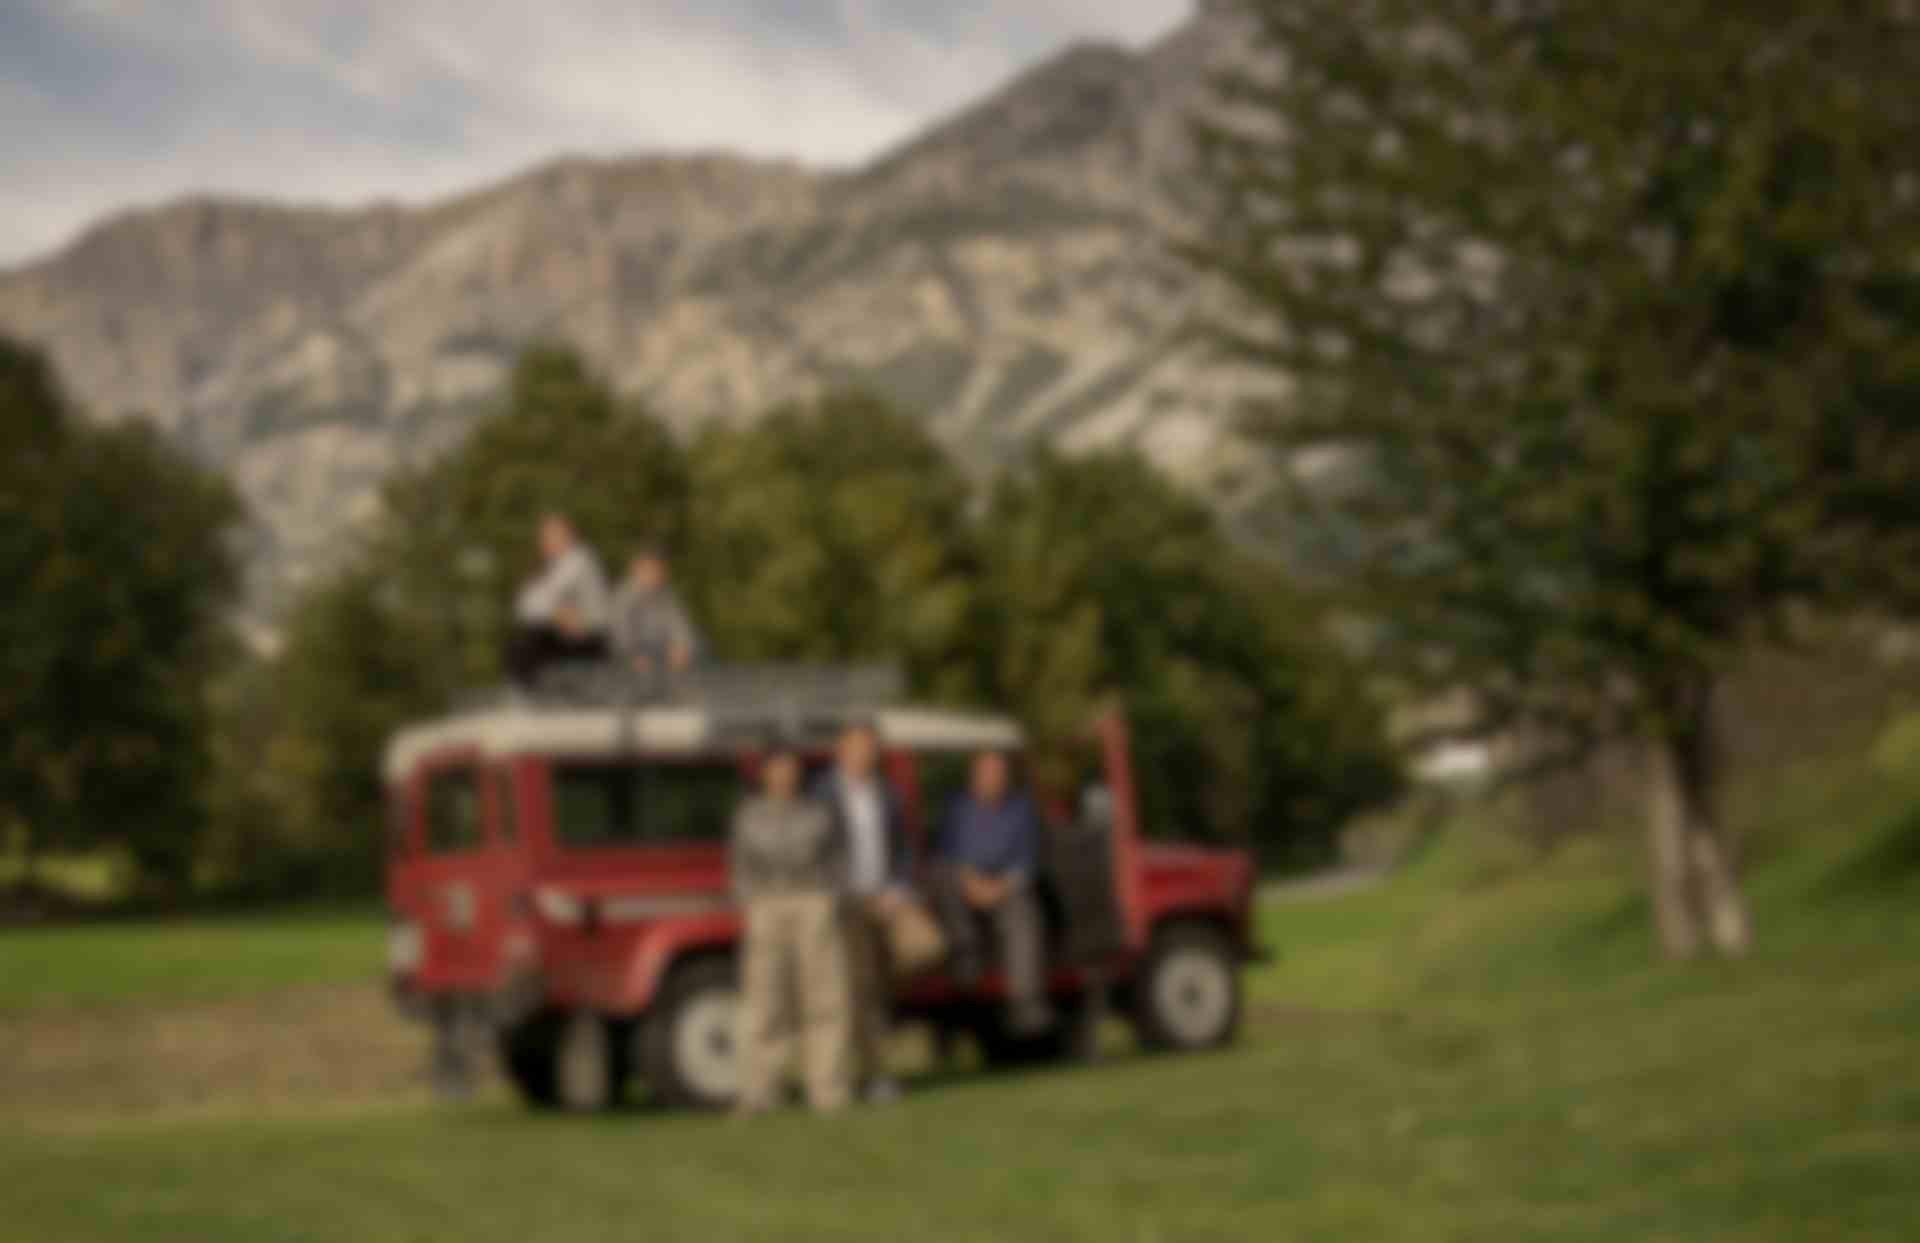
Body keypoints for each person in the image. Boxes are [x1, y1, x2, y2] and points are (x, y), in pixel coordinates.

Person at [730, 747, 853, 1116]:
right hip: (766, 904)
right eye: (777, 769)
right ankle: (761, 1091)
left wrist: (830, 897)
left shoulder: (820, 812)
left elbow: (840, 858)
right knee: (764, 1000)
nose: (784, 775)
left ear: (799, 774)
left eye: (791, 769)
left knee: (826, 998)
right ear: (765, 774)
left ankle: (828, 1090)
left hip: (814, 902)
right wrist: (750, 901)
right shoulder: (748, 816)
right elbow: (739, 865)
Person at [813, 720, 911, 1104]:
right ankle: (864, 1076)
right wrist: (846, 892)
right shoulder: (821, 793)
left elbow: (901, 848)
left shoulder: (887, 793)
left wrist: (896, 888)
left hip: (885, 902)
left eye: (869, 747)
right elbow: (818, 851)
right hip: (845, 905)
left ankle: (871, 1073)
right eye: (855, 746)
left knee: (880, 989)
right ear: (841, 749)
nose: (863, 754)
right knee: (856, 989)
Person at [933, 750, 1052, 1035]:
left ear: (1006, 778)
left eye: (998, 774)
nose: (992, 779)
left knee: (1024, 915)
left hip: (1005, 886)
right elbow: (944, 854)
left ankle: (1025, 1001)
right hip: (963, 883)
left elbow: (1027, 860)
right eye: (986, 773)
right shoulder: (956, 809)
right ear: (974, 777)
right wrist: (969, 881)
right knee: (946, 886)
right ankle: (966, 975)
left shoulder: (1021, 810)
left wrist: (1000, 888)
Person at [505, 513, 610, 686]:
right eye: (543, 538)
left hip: (590, 637)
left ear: (569, 537)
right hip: (567, 633)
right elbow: (524, 605)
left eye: (551, 537)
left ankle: (537, 698)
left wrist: (553, 611)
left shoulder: (578, 560)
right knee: (523, 642)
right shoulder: (553, 565)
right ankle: (534, 696)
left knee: (524, 646)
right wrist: (556, 612)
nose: (544, 543)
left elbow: (543, 599)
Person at [608, 542, 702, 684]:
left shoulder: (667, 595)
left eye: (658, 569)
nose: (655, 574)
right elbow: (619, 636)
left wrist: (681, 646)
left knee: (699, 650)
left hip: (661, 658)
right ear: (636, 569)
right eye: (649, 569)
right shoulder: (623, 597)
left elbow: (681, 627)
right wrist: (633, 657)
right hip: (628, 661)